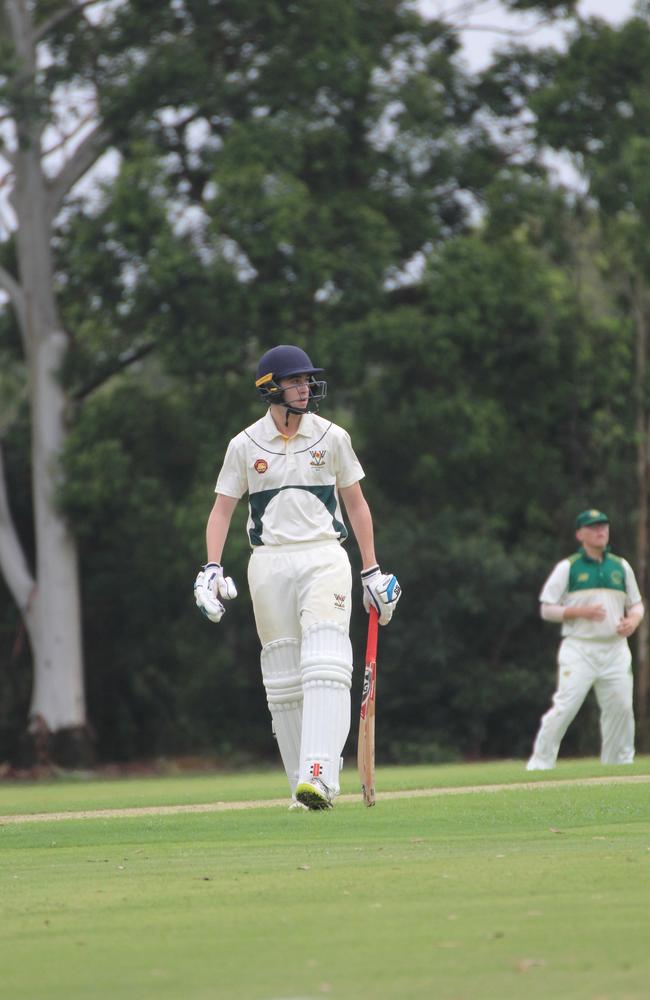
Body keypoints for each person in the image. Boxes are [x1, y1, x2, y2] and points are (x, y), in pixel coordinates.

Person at [193, 344, 401, 810]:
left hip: (324, 555)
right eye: (295, 381)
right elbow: (221, 510)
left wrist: (371, 569)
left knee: (325, 663)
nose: (305, 388)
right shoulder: (244, 445)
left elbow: (357, 504)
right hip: (268, 562)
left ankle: (321, 774)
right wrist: (211, 568)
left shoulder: (332, 437)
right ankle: (301, 790)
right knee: (283, 679)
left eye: (307, 380)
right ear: (270, 389)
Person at [527, 509, 644, 771]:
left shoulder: (620, 566)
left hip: (615, 648)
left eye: (604, 526)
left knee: (621, 708)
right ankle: (540, 764)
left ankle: (618, 766)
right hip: (579, 647)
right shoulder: (568, 567)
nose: (600, 531)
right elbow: (547, 609)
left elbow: (636, 605)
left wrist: (633, 621)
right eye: (593, 527)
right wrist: (579, 612)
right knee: (566, 706)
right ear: (580, 534)